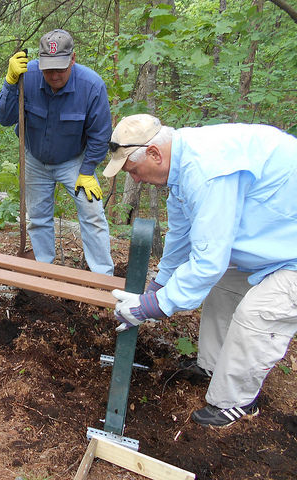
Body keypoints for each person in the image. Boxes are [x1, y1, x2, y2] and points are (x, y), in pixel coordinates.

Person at [103, 113, 297, 427]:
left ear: (154, 154)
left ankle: (236, 402)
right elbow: (181, 234)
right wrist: (159, 285)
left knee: (259, 315)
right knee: (222, 288)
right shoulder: (181, 166)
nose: (135, 179)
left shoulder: (206, 170)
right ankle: (212, 366)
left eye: (134, 170)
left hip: (290, 252)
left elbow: (209, 261)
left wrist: (154, 306)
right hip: (273, 240)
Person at [0, 29, 114, 275]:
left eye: (60, 68)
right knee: (38, 218)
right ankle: (44, 272)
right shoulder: (27, 78)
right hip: (35, 158)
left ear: (73, 59)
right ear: (40, 61)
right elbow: (4, 118)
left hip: (74, 162)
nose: (54, 75)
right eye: (48, 68)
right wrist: (9, 83)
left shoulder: (91, 86)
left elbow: (100, 134)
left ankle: (102, 277)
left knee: (93, 215)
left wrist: (88, 170)